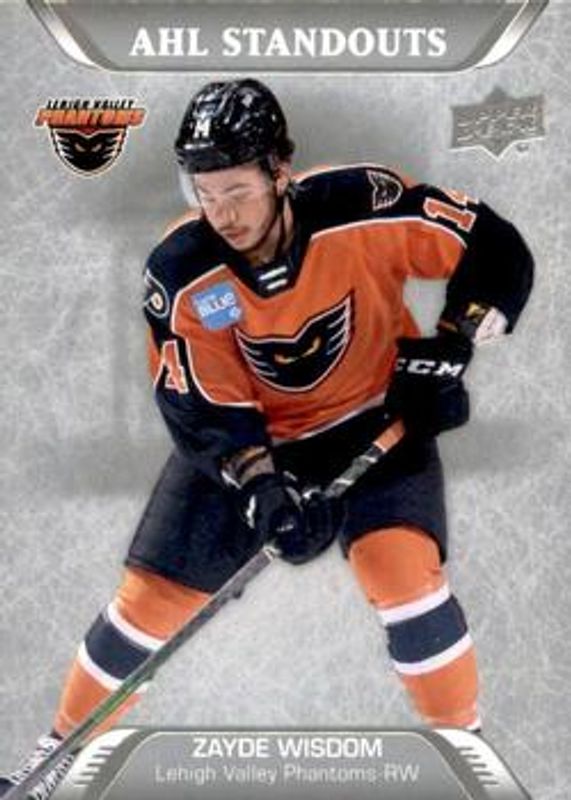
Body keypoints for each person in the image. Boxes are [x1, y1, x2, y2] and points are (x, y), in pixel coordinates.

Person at [0, 78, 533, 799]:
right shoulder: (183, 273)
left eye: (237, 192)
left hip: (373, 421)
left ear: (281, 171)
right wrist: (260, 487)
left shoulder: (361, 204)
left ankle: (464, 758)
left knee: (405, 580)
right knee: (148, 602)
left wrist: (454, 338)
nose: (221, 213)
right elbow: (202, 407)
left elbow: (490, 243)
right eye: (204, 194)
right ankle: (58, 757)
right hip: (256, 441)